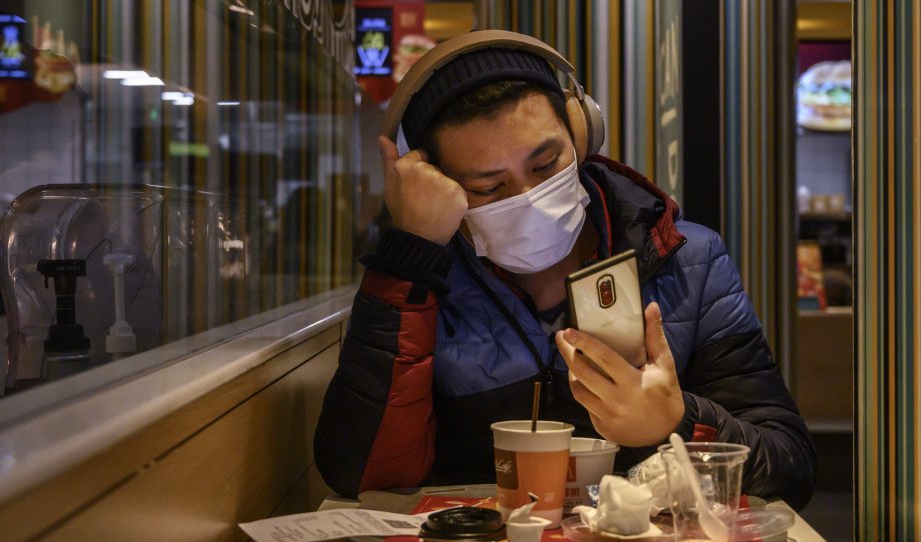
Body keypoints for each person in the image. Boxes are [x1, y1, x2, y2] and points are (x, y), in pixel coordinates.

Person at [314, 30, 816, 510]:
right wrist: (409, 257)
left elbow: (789, 468)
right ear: (434, 183)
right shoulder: (422, 281)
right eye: (488, 188)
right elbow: (363, 478)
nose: (527, 197)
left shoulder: (690, 260)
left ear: (581, 134)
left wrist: (677, 423)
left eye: (545, 164)